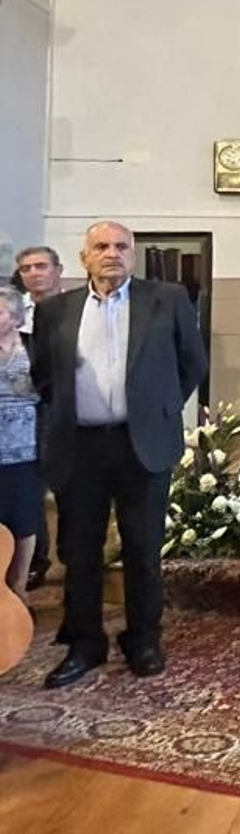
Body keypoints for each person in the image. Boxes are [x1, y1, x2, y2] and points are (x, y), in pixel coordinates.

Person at [30, 222, 207, 688]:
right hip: (80, 446)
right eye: (102, 246)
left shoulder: (166, 300)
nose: (112, 253)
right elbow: (44, 376)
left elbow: (193, 363)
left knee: (143, 548)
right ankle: (84, 644)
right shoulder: (55, 310)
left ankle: (143, 639)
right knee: (80, 551)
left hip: (140, 443)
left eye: (121, 246)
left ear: (133, 254)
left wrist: (159, 408)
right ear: (84, 257)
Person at [15, 245, 63, 589]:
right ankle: (35, 561)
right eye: (27, 268)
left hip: (65, 407)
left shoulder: (75, 308)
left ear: (57, 270)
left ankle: (77, 557)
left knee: (70, 486)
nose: (34, 273)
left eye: (41, 266)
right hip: (24, 409)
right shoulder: (13, 312)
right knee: (30, 487)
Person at [0, 287, 41, 594]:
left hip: (27, 449)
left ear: (15, 317)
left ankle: (19, 587)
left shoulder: (34, 347)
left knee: (24, 519)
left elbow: (52, 386)